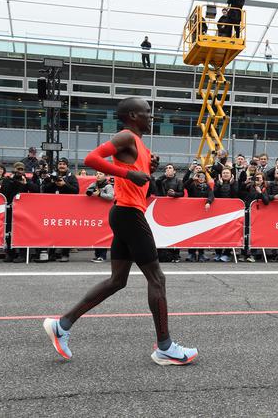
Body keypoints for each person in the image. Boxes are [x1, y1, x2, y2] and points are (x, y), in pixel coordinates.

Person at [43, 96, 197, 365]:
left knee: (118, 281)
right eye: (147, 112)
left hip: (125, 211)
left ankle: (62, 325)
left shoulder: (139, 145)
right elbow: (92, 158)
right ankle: (165, 347)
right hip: (127, 214)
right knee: (157, 279)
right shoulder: (126, 136)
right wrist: (129, 175)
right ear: (133, 116)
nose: (152, 117)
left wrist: (146, 170)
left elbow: (139, 185)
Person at [86, 171, 115, 263]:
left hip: (105, 214)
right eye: (97, 174)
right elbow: (88, 193)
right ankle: (97, 255)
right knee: (97, 234)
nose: (98, 175)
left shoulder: (108, 186)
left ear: (105, 176)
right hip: (95, 214)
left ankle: (102, 256)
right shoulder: (93, 184)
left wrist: (99, 194)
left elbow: (111, 197)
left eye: (101, 174)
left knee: (103, 234)